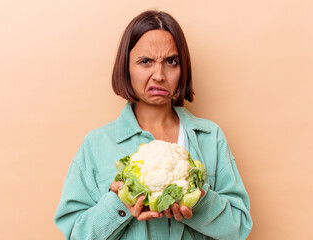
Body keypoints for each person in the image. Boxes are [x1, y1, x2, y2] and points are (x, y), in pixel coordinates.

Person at [55, 10, 253, 240]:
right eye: (145, 61)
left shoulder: (210, 137)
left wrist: (198, 202)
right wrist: (119, 205)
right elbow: (76, 234)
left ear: (182, 68)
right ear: (126, 67)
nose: (159, 75)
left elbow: (239, 228)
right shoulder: (96, 144)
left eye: (171, 61)